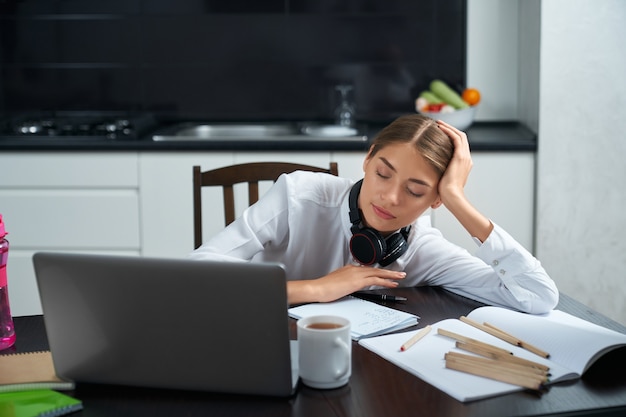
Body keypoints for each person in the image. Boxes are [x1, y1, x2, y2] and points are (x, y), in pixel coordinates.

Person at [189, 114, 558, 314]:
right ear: (367, 159)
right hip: (258, 338)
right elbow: (197, 276)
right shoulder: (300, 194)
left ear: (434, 200)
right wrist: (319, 288)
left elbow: (536, 295)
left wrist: (457, 200)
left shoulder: (422, 250)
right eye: (383, 173)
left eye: (415, 191)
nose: (390, 197)